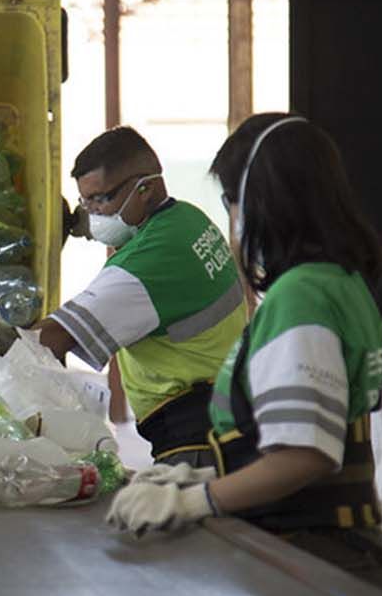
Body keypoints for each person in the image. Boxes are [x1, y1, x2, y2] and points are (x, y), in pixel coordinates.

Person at [107, 114, 382, 594]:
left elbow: (304, 456)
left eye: (231, 202)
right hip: (347, 555)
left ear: (261, 203)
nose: (234, 220)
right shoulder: (342, 283)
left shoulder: (302, 296)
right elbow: (311, 429)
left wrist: (197, 500)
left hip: (317, 562)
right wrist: (201, 474)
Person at [34, 127, 245, 467]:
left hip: (193, 437)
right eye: (83, 202)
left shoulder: (146, 264)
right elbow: (105, 223)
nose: (92, 214)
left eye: (99, 200)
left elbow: (49, 340)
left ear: (145, 188)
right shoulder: (188, 221)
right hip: (226, 412)